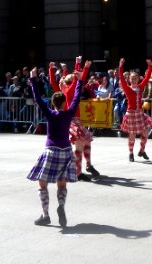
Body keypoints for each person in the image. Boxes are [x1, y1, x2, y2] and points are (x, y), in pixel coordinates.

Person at [27, 67, 83, 227]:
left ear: (52, 103)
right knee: (62, 183)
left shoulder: (50, 114)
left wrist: (33, 79)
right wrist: (79, 81)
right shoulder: (69, 113)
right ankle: (61, 206)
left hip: (51, 151)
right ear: (64, 102)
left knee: (42, 183)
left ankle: (46, 215)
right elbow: (77, 99)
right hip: (66, 151)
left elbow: (37, 99)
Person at [49, 58, 100, 182]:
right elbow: (77, 79)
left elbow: (55, 81)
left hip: (74, 120)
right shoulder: (69, 89)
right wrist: (82, 66)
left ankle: (87, 166)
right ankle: (78, 172)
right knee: (80, 145)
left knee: (85, 142)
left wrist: (52, 69)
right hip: (71, 120)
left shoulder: (61, 89)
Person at [118, 58, 152, 162]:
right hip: (131, 113)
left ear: (138, 79)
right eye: (132, 78)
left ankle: (142, 150)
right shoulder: (127, 88)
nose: (134, 80)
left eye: (135, 78)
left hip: (139, 113)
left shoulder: (140, 86)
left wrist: (150, 66)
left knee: (145, 133)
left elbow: (147, 77)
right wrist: (120, 66)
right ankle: (130, 153)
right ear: (129, 79)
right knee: (132, 134)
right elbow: (121, 77)